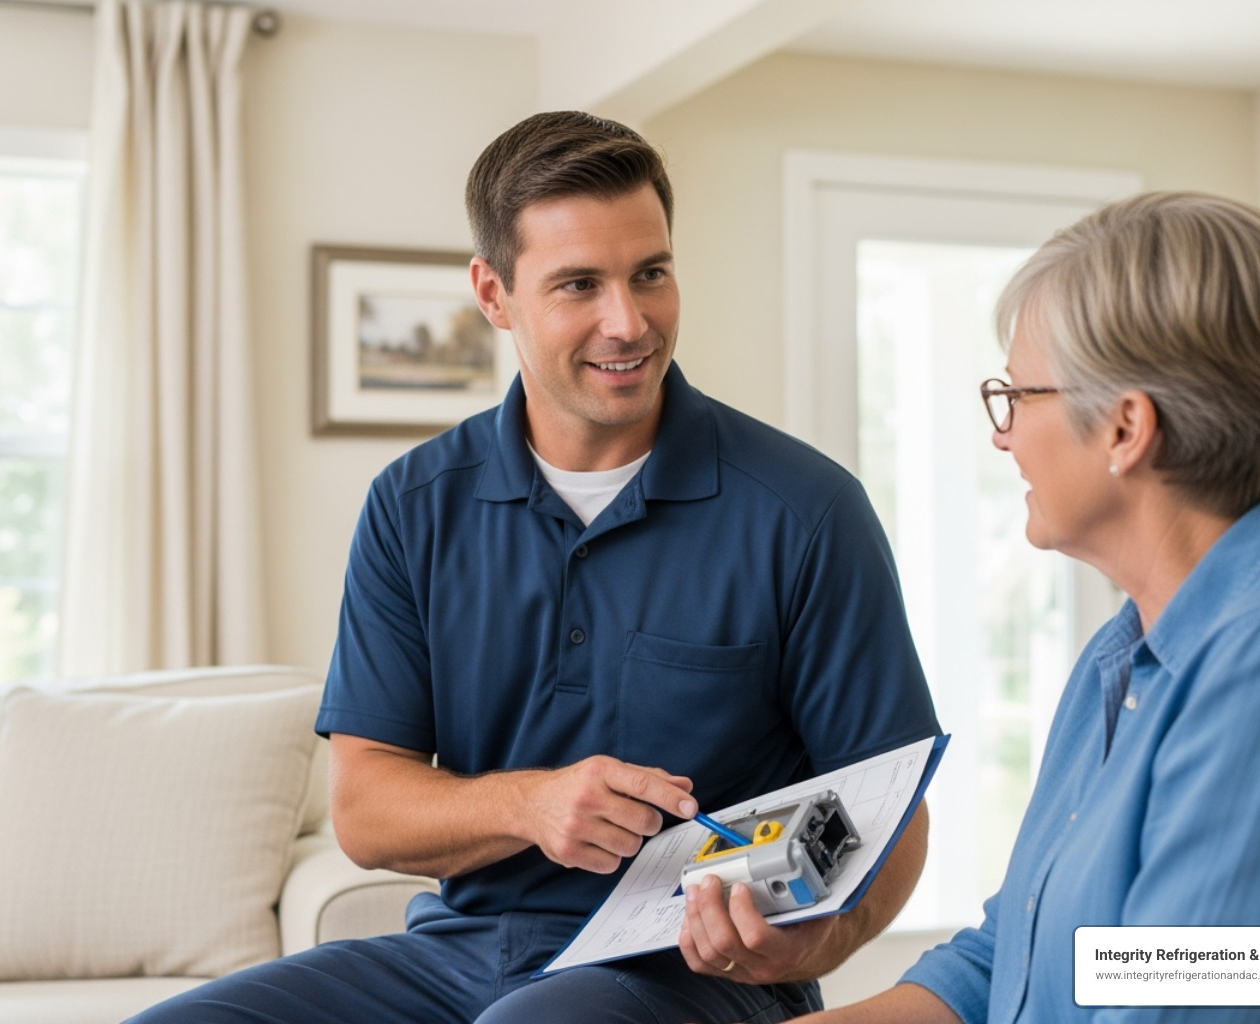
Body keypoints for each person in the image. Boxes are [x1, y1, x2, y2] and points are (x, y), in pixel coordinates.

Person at [127, 111, 939, 1024]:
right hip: (457, 954)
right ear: (493, 292)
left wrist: (809, 944)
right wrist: (531, 805)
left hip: (688, 973)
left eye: (651, 274)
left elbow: (893, 809)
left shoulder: (806, 510)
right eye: (579, 285)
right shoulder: (412, 504)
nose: (627, 322)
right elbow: (365, 809)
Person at [791, 191, 1260, 1024]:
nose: (1003, 435)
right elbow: (1006, 963)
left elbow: (1186, 1009)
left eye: (1018, 397)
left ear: (1126, 429)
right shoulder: (1123, 655)